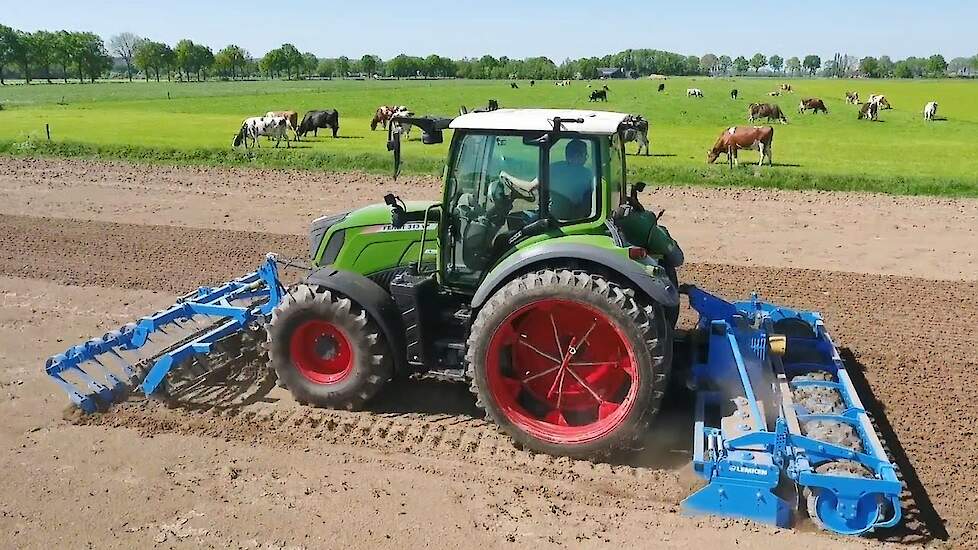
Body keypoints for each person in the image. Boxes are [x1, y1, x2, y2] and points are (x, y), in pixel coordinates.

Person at [498, 139, 594, 221]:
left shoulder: (555, 168)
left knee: (514, 219)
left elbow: (529, 187)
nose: (586, 157)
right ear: (578, 155)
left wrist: (507, 176)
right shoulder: (589, 174)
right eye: (585, 154)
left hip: (553, 219)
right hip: (576, 219)